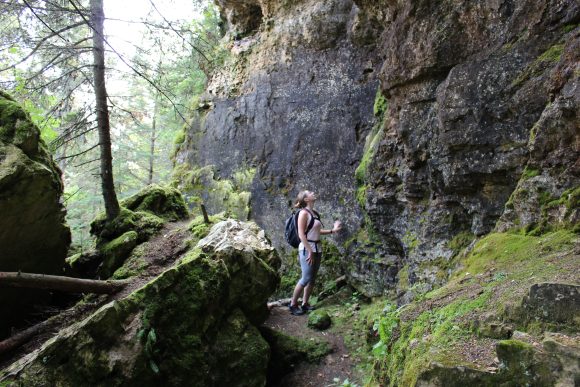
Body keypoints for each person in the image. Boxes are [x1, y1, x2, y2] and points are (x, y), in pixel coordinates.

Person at [289, 190, 342, 316]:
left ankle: (305, 304)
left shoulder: (314, 213)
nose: (313, 193)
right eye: (309, 192)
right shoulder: (303, 213)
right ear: (306, 199)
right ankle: (293, 304)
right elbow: (301, 234)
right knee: (305, 278)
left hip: (317, 248)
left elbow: (316, 231)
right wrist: (309, 250)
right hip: (307, 248)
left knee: (312, 279)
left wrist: (332, 231)